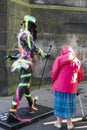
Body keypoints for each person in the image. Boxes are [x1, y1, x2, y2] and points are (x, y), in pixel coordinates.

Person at [6, 15, 50, 123]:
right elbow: (33, 48)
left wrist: (13, 57)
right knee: (23, 86)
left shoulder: (20, 34)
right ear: (29, 25)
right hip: (26, 63)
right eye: (32, 26)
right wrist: (44, 54)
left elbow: (23, 51)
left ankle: (31, 102)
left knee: (26, 86)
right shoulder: (27, 34)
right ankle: (12, 112)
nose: (33, 29)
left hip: (22, 62)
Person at [51, 45, 84, 129]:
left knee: (59, 104)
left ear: (63, 52)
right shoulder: (77, 61)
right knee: (69, 104)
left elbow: (54, 72)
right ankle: (69, 124)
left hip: (59, 86)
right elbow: (80, 75)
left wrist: (54, 81)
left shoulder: (59, 59)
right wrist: (76, 83)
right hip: (71, 87)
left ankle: (58, 123)